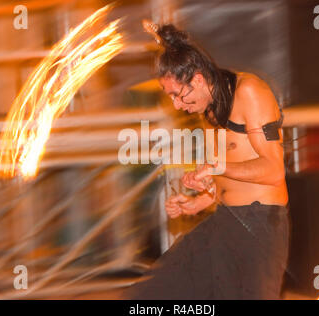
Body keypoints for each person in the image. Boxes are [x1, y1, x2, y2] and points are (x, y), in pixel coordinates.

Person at [123, 22, 290, 300]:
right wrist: (200, 200)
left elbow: (273, 170)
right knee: (152, 294)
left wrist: (218, 167)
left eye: (178, 94)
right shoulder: (208, 108)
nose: (177, 105)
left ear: (198, 80)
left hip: (260, 226)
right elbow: (230, 176)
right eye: (170, 97)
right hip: (225, 221)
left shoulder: (249, 92)